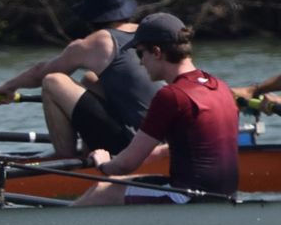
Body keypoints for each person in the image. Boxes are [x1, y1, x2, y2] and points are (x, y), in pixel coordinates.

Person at [78, 14, 238, 205]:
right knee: (118, 184)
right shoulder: (220, 87)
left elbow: (125, 165)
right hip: (227, 197)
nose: (140, 62)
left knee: (102, 190)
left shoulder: (171, 95)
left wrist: (103, 163)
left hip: (189, 198)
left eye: (140, 53)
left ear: (156, 52)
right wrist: (162, 151)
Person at [0, 0, 154, 157]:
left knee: (53, 81)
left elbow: (40, 73)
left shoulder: (97, 42)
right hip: (155, 138)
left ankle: (65, 162)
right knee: (90, 79)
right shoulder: (147, 31)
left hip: (134, 143)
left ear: (90, 15)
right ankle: (89, 151)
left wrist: (8, 87)